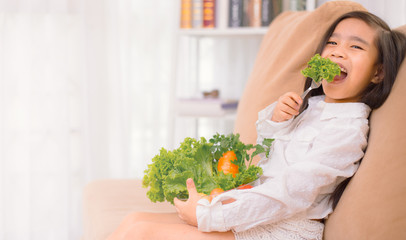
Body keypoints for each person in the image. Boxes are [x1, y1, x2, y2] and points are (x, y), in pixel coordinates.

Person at [107, 11, 406, 240]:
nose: (338, 51)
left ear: (378, 72)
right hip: (257, 214)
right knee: (133, 221)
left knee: (141, 233)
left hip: (285, 229)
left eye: (356, 47)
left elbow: (294, 191)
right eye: (333, 42)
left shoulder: (348, 130)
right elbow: (268, 153)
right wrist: (277, 120)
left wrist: (210, 215)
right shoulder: (312, 106)